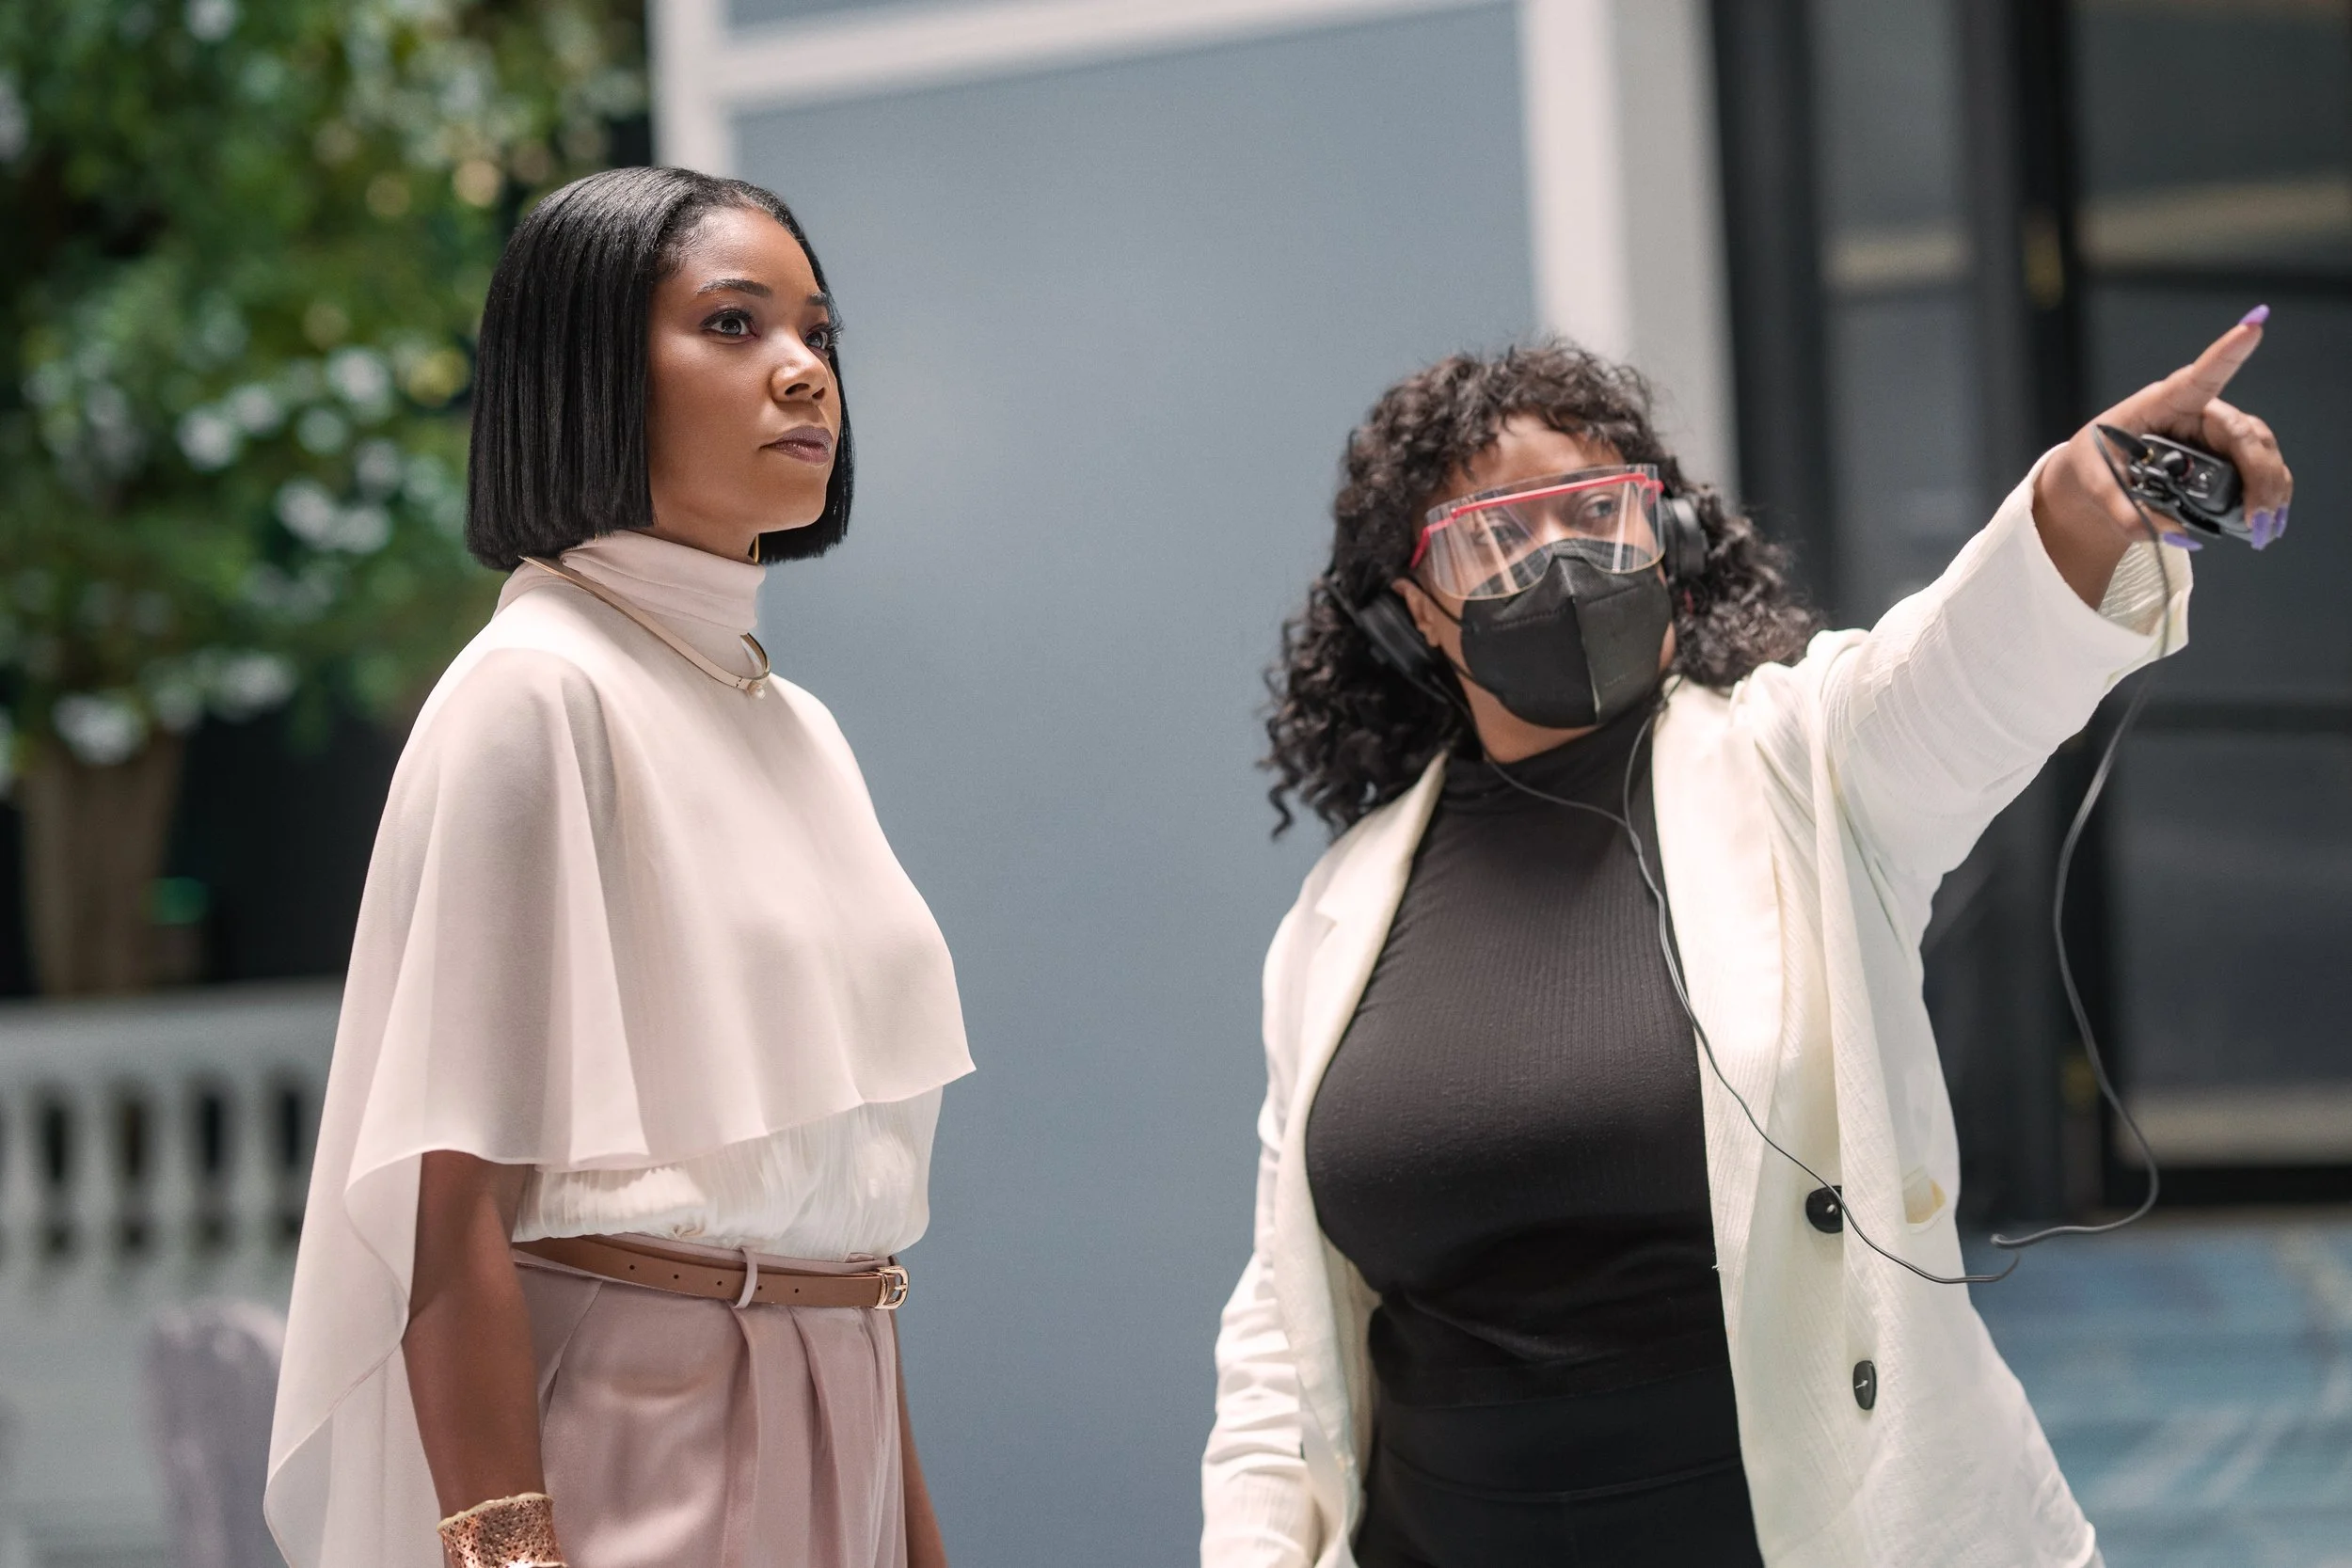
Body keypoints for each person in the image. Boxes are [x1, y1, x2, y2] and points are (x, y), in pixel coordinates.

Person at [1203, 319, 2292, 1566]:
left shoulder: (1807, 762)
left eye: (1596, 511)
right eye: (1495, 534)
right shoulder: (1343, 908)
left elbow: (1959, 668)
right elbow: (1285, 1325)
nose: (1558, 557)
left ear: (1666, 540)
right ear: (1416, 619)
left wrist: (2080, 505)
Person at [264, 167, 974, 1568]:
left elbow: (841, 1225)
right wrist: (508, 1554)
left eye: (819, 333)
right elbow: (447, 1213)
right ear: (588, 366)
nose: (804, 373)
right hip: (641, 1434)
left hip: (846, 1398)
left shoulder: (801, 726)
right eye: (734, 324)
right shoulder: (533, 692)